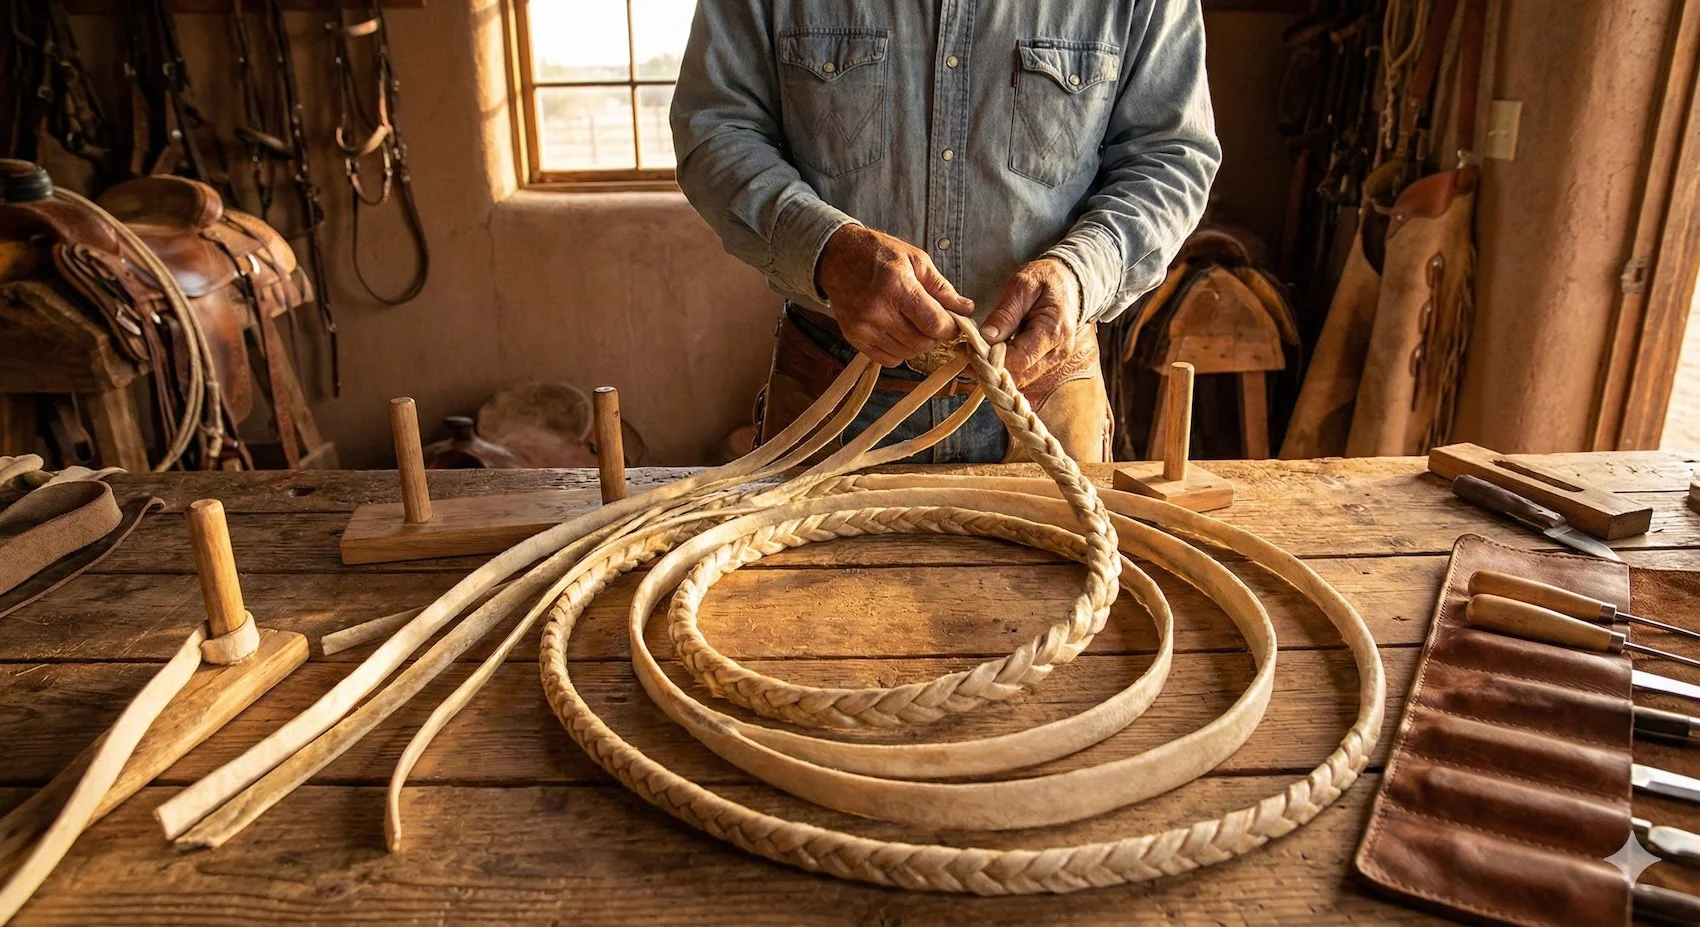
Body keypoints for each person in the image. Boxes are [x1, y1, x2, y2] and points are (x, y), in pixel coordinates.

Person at [672, 1, 1220, 463]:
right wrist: (827, 249)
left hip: (1045, 398)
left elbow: (1171, 155)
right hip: (829, 393)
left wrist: (1081, 272)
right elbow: (716, 130)